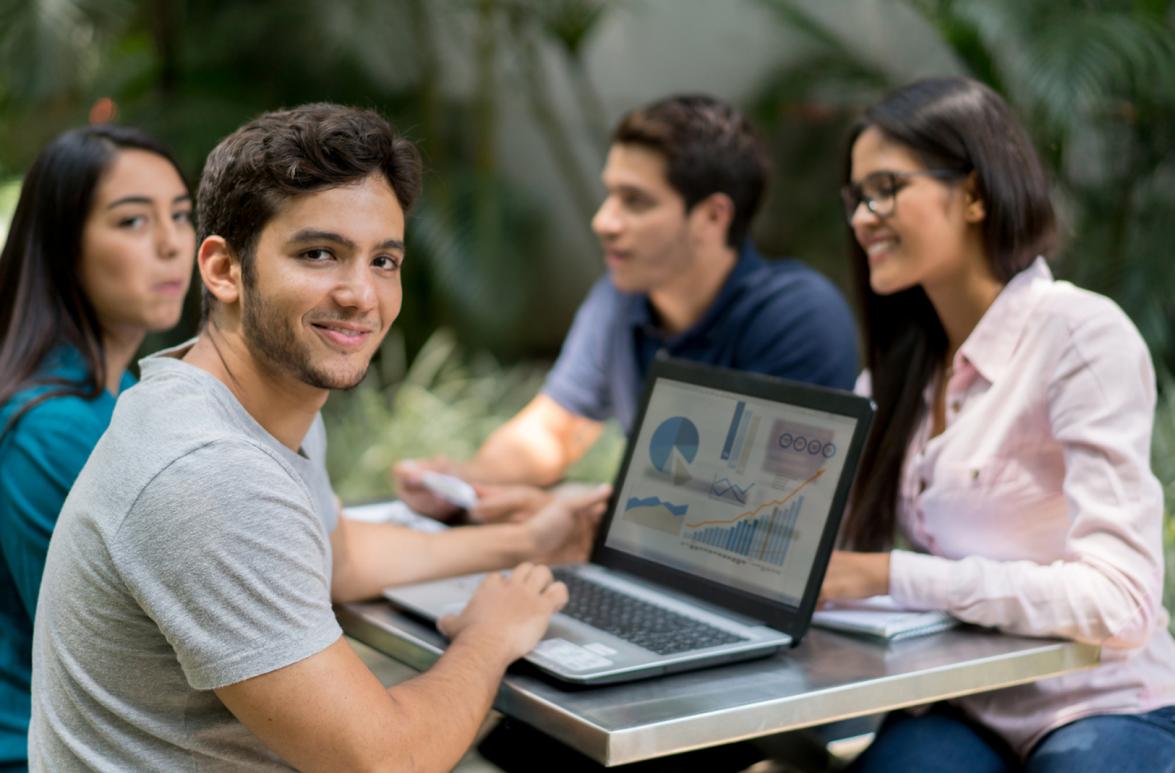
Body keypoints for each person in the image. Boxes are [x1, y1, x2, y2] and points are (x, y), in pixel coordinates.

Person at [29, 103, 607, 771]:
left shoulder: (249, 396)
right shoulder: (208, 473)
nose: (361, 293)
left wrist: (528, 541)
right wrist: (487, 636)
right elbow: (385, 760)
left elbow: (341, 552)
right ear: (221, 270)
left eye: (383, 260)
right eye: (319, 254)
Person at [822, 76, 1175, 770]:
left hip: (1100, 699)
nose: (863, 216)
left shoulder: (1077, 334)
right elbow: (829, 560)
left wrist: (892, 574)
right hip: (962, 700)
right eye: (855, 196)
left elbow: (1120, 601)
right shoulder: (896, 373)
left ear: (976, 194)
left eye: (886, 188)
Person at [396, 94, 858, 520]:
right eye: (611, 194)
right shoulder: (621, 301)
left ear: (714, 217)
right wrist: (465, 479)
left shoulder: (798, 318)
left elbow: (757, 512)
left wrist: (559, 512)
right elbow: (552, 433)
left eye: (634, 201)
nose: (604, 222)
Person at [0, 124, 195, 770]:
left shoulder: (103, 404)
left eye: (180, 215)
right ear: (64, 247)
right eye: (133, 221)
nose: (172, 244)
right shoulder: (52, 426)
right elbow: (149, 646)